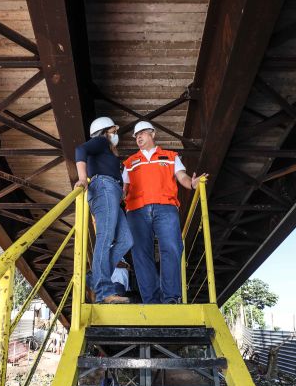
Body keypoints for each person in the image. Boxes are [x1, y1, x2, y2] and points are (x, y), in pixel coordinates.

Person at [122, 121, 206, 304]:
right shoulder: (129, 162)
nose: (138, 138)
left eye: (142, 134)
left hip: (165, 208)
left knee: (172, 248)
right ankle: (151, 300)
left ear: (152, 134)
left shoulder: (170, 156)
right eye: (136, 136)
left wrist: (192, 184)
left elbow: (182, 176)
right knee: (141, 253)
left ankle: (170, 297)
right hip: (136, 210)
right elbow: (124, 188)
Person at [75, 117, 133, 304]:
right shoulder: (100, 141)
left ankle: (95, 278)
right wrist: (83, 178)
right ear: (104, 131)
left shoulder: (106, 150)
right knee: (105, 237)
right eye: (113, 131)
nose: (116, 135)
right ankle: (103, 291)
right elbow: (80, 149)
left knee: (126, 240)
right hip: (103, 188)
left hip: (112, 192)